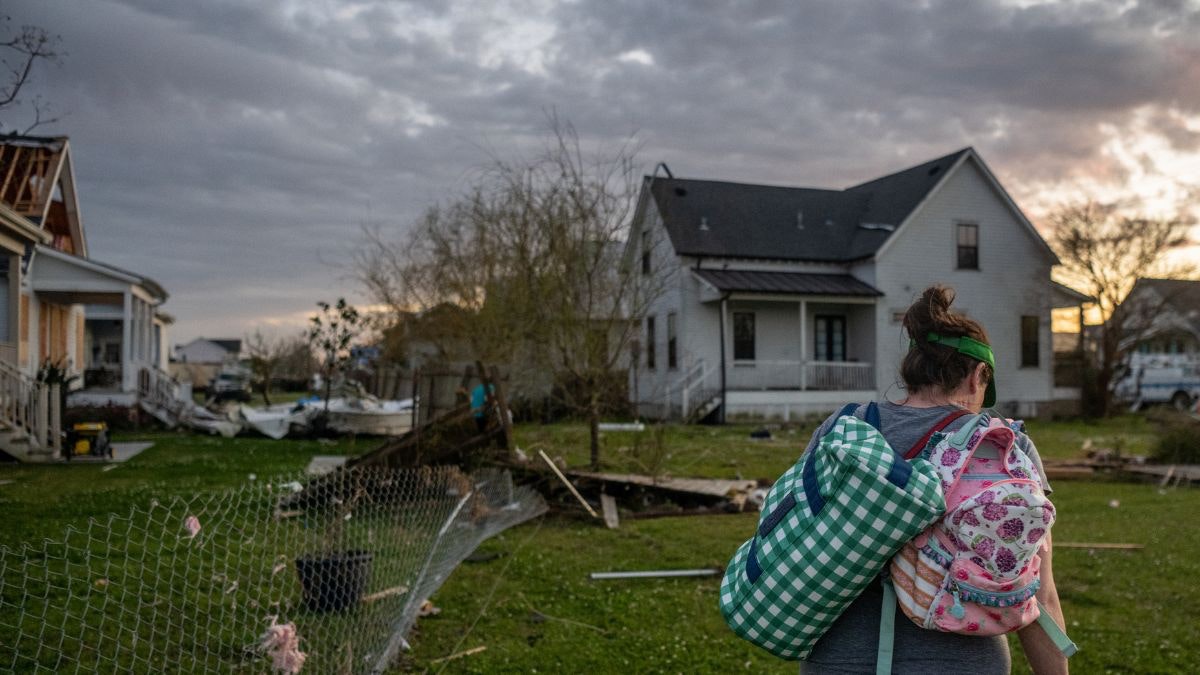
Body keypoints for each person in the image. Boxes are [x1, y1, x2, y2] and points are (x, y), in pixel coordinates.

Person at [800, 285, 1069, 675]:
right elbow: (1039, 592)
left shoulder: (845, 429)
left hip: (839, 659)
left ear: (912, 370)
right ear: (977, 376)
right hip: (965, 663)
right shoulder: (1006, 447)